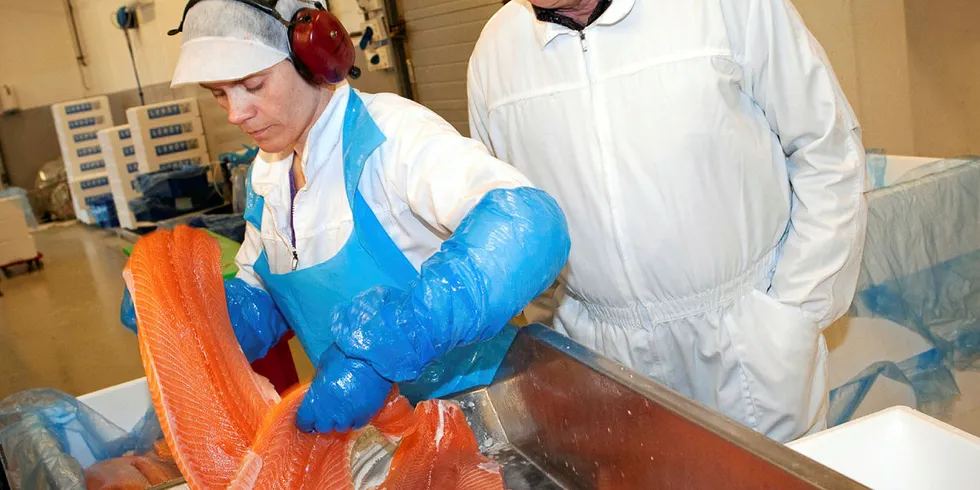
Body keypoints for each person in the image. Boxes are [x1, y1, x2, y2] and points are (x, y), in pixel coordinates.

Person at [121, 0, 570, 434]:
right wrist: (188, 313)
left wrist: (399, 338)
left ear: (312, 57)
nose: (237, 114)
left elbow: (528, 224)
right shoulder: (268, 171)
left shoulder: (391, 136)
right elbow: (274, 294)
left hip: (484, 415)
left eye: (253, 85)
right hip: (381, 436)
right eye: (219, 95)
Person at [467, 0, 866, 442]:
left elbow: (826, 151)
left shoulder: (727, 8)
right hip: (601, 360)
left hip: (748, 343)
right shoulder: (495, 53)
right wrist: (551, 338)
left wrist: (794, 313)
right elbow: (514, 218)